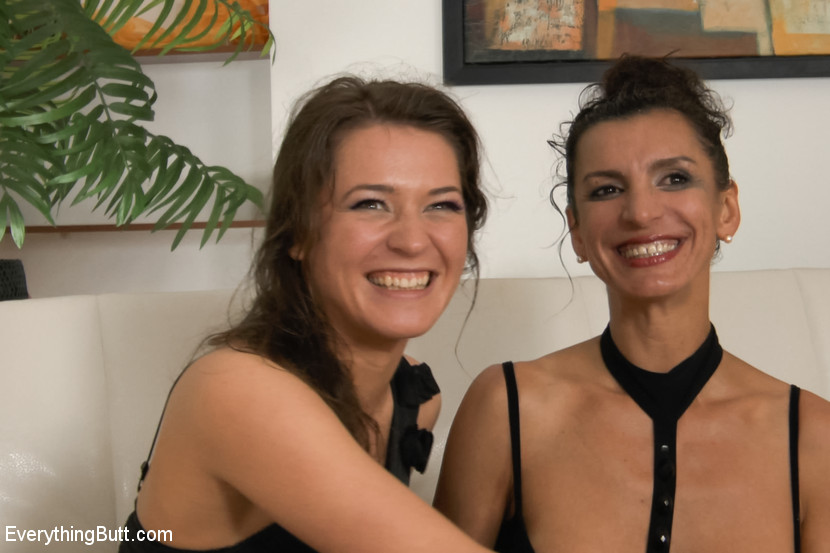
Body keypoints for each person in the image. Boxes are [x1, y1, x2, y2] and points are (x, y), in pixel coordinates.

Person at [433, 55, 830, 553]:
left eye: (675, 178)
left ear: (726, 209)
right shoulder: (505, 407)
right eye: (607, 189)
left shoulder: (814, 437)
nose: (640, 212)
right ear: (577, 231)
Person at [119, 75, 495, 553]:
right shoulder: (237, 389)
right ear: (298, 232)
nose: (412, 240)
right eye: (370, 204)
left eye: (442, 205)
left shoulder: (414, 399)